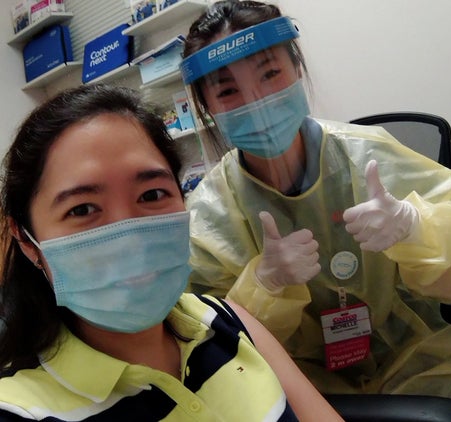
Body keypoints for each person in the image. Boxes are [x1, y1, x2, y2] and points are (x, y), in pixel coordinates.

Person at [181, 0, 451, 400]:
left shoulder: (367, 155)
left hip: (416, 372)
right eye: (229, 91)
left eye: (270, 74)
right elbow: (206, 345)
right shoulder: (209, 214)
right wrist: (262, 286)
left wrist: (417, 228)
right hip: (302, 393)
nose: (257, 102)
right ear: (207, 109)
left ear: (297, 69)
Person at [0, 84, 343, 421]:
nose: (131, 239)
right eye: (82, 209)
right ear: (27, 240)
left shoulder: (225, 319)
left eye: (151, 195)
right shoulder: (20, 409)